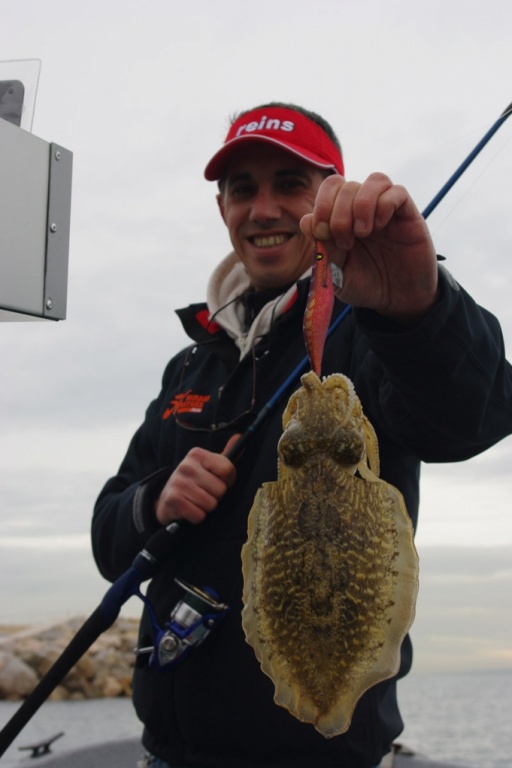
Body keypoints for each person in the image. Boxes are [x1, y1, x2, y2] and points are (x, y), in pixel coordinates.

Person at [92, 103, 512, 768]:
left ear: (330, 199)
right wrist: (154, 502)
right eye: (242, 189)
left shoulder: (374, 330)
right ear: (222, 208)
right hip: (171, 753)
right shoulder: (191, 366)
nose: (263, 209)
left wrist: (415, 310)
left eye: (290, 184)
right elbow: (107, 534)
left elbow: (471, 416)